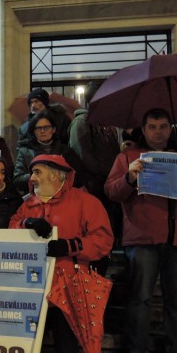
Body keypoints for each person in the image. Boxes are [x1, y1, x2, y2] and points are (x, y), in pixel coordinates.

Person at [7, 154, 113, 353]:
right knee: (26, 350)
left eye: (38, 172)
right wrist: (27, 223)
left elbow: (103, 240)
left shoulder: (85, 202)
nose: (32, 178)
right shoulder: (27, 204)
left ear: (57, 175)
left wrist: (69, 246)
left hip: (69, 287)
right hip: (31, 288)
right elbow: (12, 227)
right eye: (32, 173)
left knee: (66, 352)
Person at [105, 108, 177, 353]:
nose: (158, 132)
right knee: (140, 298)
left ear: (171, 128)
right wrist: (129, 177)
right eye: (153, 127)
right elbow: (111, 191)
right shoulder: (127, 157)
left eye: (163, 126)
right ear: (144, 130)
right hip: (143, 237)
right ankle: (137, 349)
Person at [68, 94, 123, 253]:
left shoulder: (107, 124)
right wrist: (108, 171)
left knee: (108, 226)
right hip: (92, 185)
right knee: (93, 226)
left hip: (107, 184)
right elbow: (82, 155)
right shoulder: (82, 122)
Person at [13, 111, 85, 195]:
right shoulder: (25, 152)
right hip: (35, 196)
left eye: (46, 127)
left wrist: (60, 176)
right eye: (38, 128)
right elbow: (17, 180)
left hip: (63, 195)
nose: (42, 131)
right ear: (33, 131)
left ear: (54, 129)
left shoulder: (65, 151)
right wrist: (37, 174)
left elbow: (79, 177)